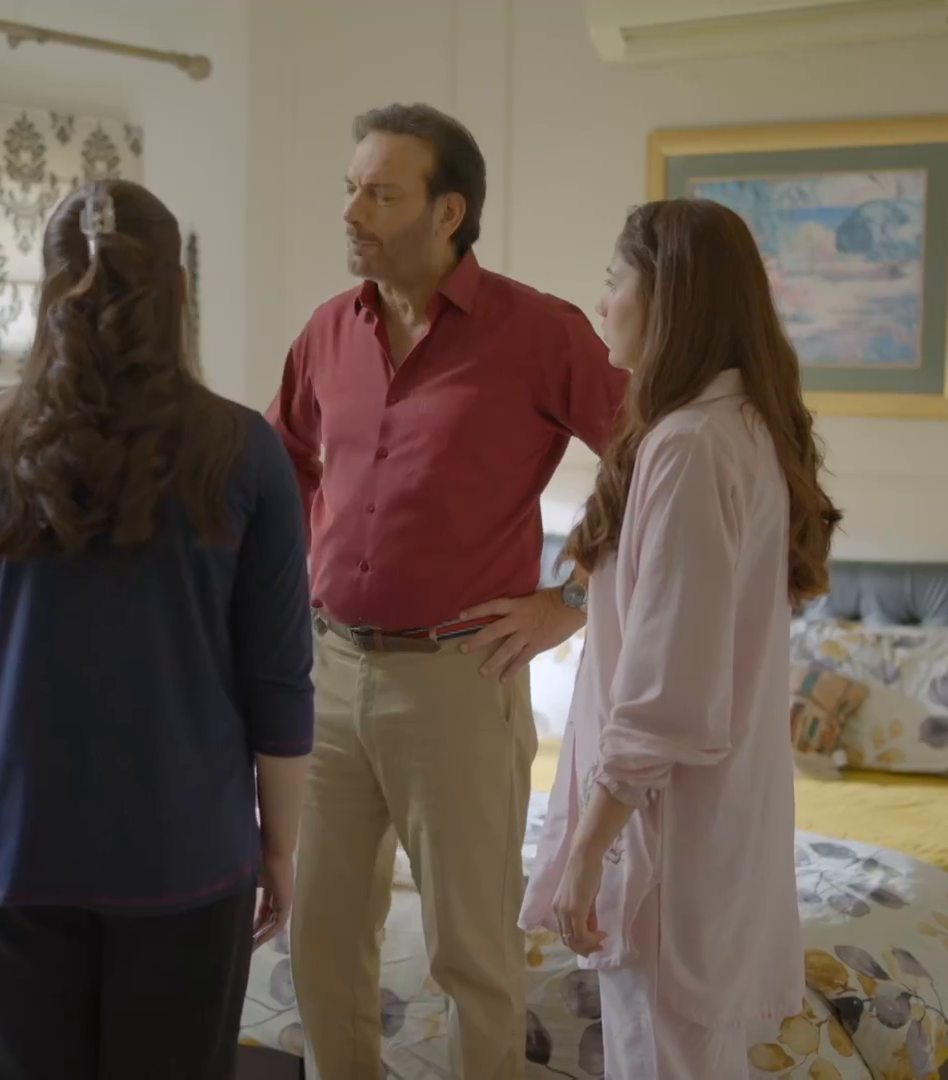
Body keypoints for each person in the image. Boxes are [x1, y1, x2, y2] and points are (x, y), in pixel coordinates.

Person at [0, 179, 314, 1080]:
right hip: (189, 857)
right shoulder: (242, 452)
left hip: (12, 850)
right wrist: (279, 846)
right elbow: (280, 681)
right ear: (180, 292)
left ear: (47, 292)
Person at [266, 103, 626, 1079]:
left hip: (459, 681)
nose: (352, 212)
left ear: (448, 211)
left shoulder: (538, 331)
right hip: (328, 678)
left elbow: (651, 465)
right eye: (351, 190)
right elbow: (283, 463)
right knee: (321, 946)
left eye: (380, 194)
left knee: (472, 955)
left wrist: (569, 601)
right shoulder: (327, 332)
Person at [521, 198, 844, 1078]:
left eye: (613, 281)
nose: (601, 303)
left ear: (668, 298)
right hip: (701, 823)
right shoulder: (733, 429)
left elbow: (666, 687)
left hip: (668, 831)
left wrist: (590, 846)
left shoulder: (692, 446)